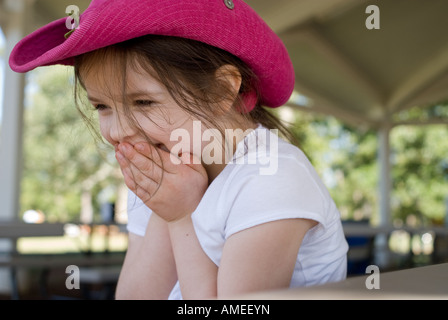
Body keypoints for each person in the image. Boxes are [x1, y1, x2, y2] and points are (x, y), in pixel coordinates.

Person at [10, 0, 348, 299]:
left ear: (220, 90)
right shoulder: (164, 171)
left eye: (143, 102)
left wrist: (183, 214)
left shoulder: (272, 176)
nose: (118, 132)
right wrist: (167, 206)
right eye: (101, 106)